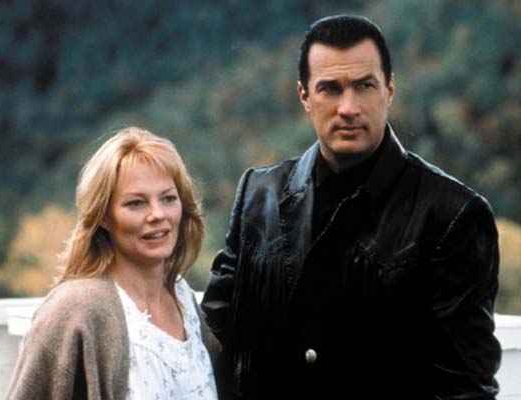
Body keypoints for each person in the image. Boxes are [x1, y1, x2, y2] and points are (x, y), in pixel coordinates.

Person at [202, 14, 500, 399]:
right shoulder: (259, 194)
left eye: (364, 86)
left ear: (389, 89)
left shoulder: (452, 215)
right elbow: (212, 338)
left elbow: (465, 388)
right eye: (330, 89)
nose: (348, 107)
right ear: (304, 96)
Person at [6, 127, 219, 399]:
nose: (157, 214)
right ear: (104, 217)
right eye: (136, 203)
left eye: (168, 198)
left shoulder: (184, 299)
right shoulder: (75, 308)